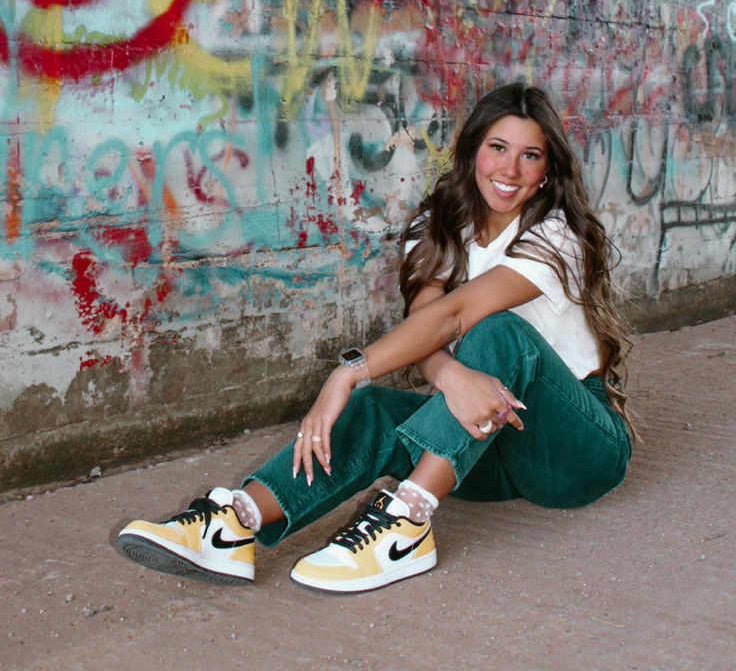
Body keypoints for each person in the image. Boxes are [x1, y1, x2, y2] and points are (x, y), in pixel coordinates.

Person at [118, 83, 634, 594]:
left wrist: (347, 372)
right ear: (474, 148)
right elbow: (425, 329)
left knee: (499, 332)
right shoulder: (439, 226)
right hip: (492, 443)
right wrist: (450, 376)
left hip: (577, 449)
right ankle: (238, 522)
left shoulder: (556, 234)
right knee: (370, 413)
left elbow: (455, 317)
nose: (510, 170)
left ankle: (408, 523)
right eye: (498, 148)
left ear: (547, 171)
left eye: (530, 156)